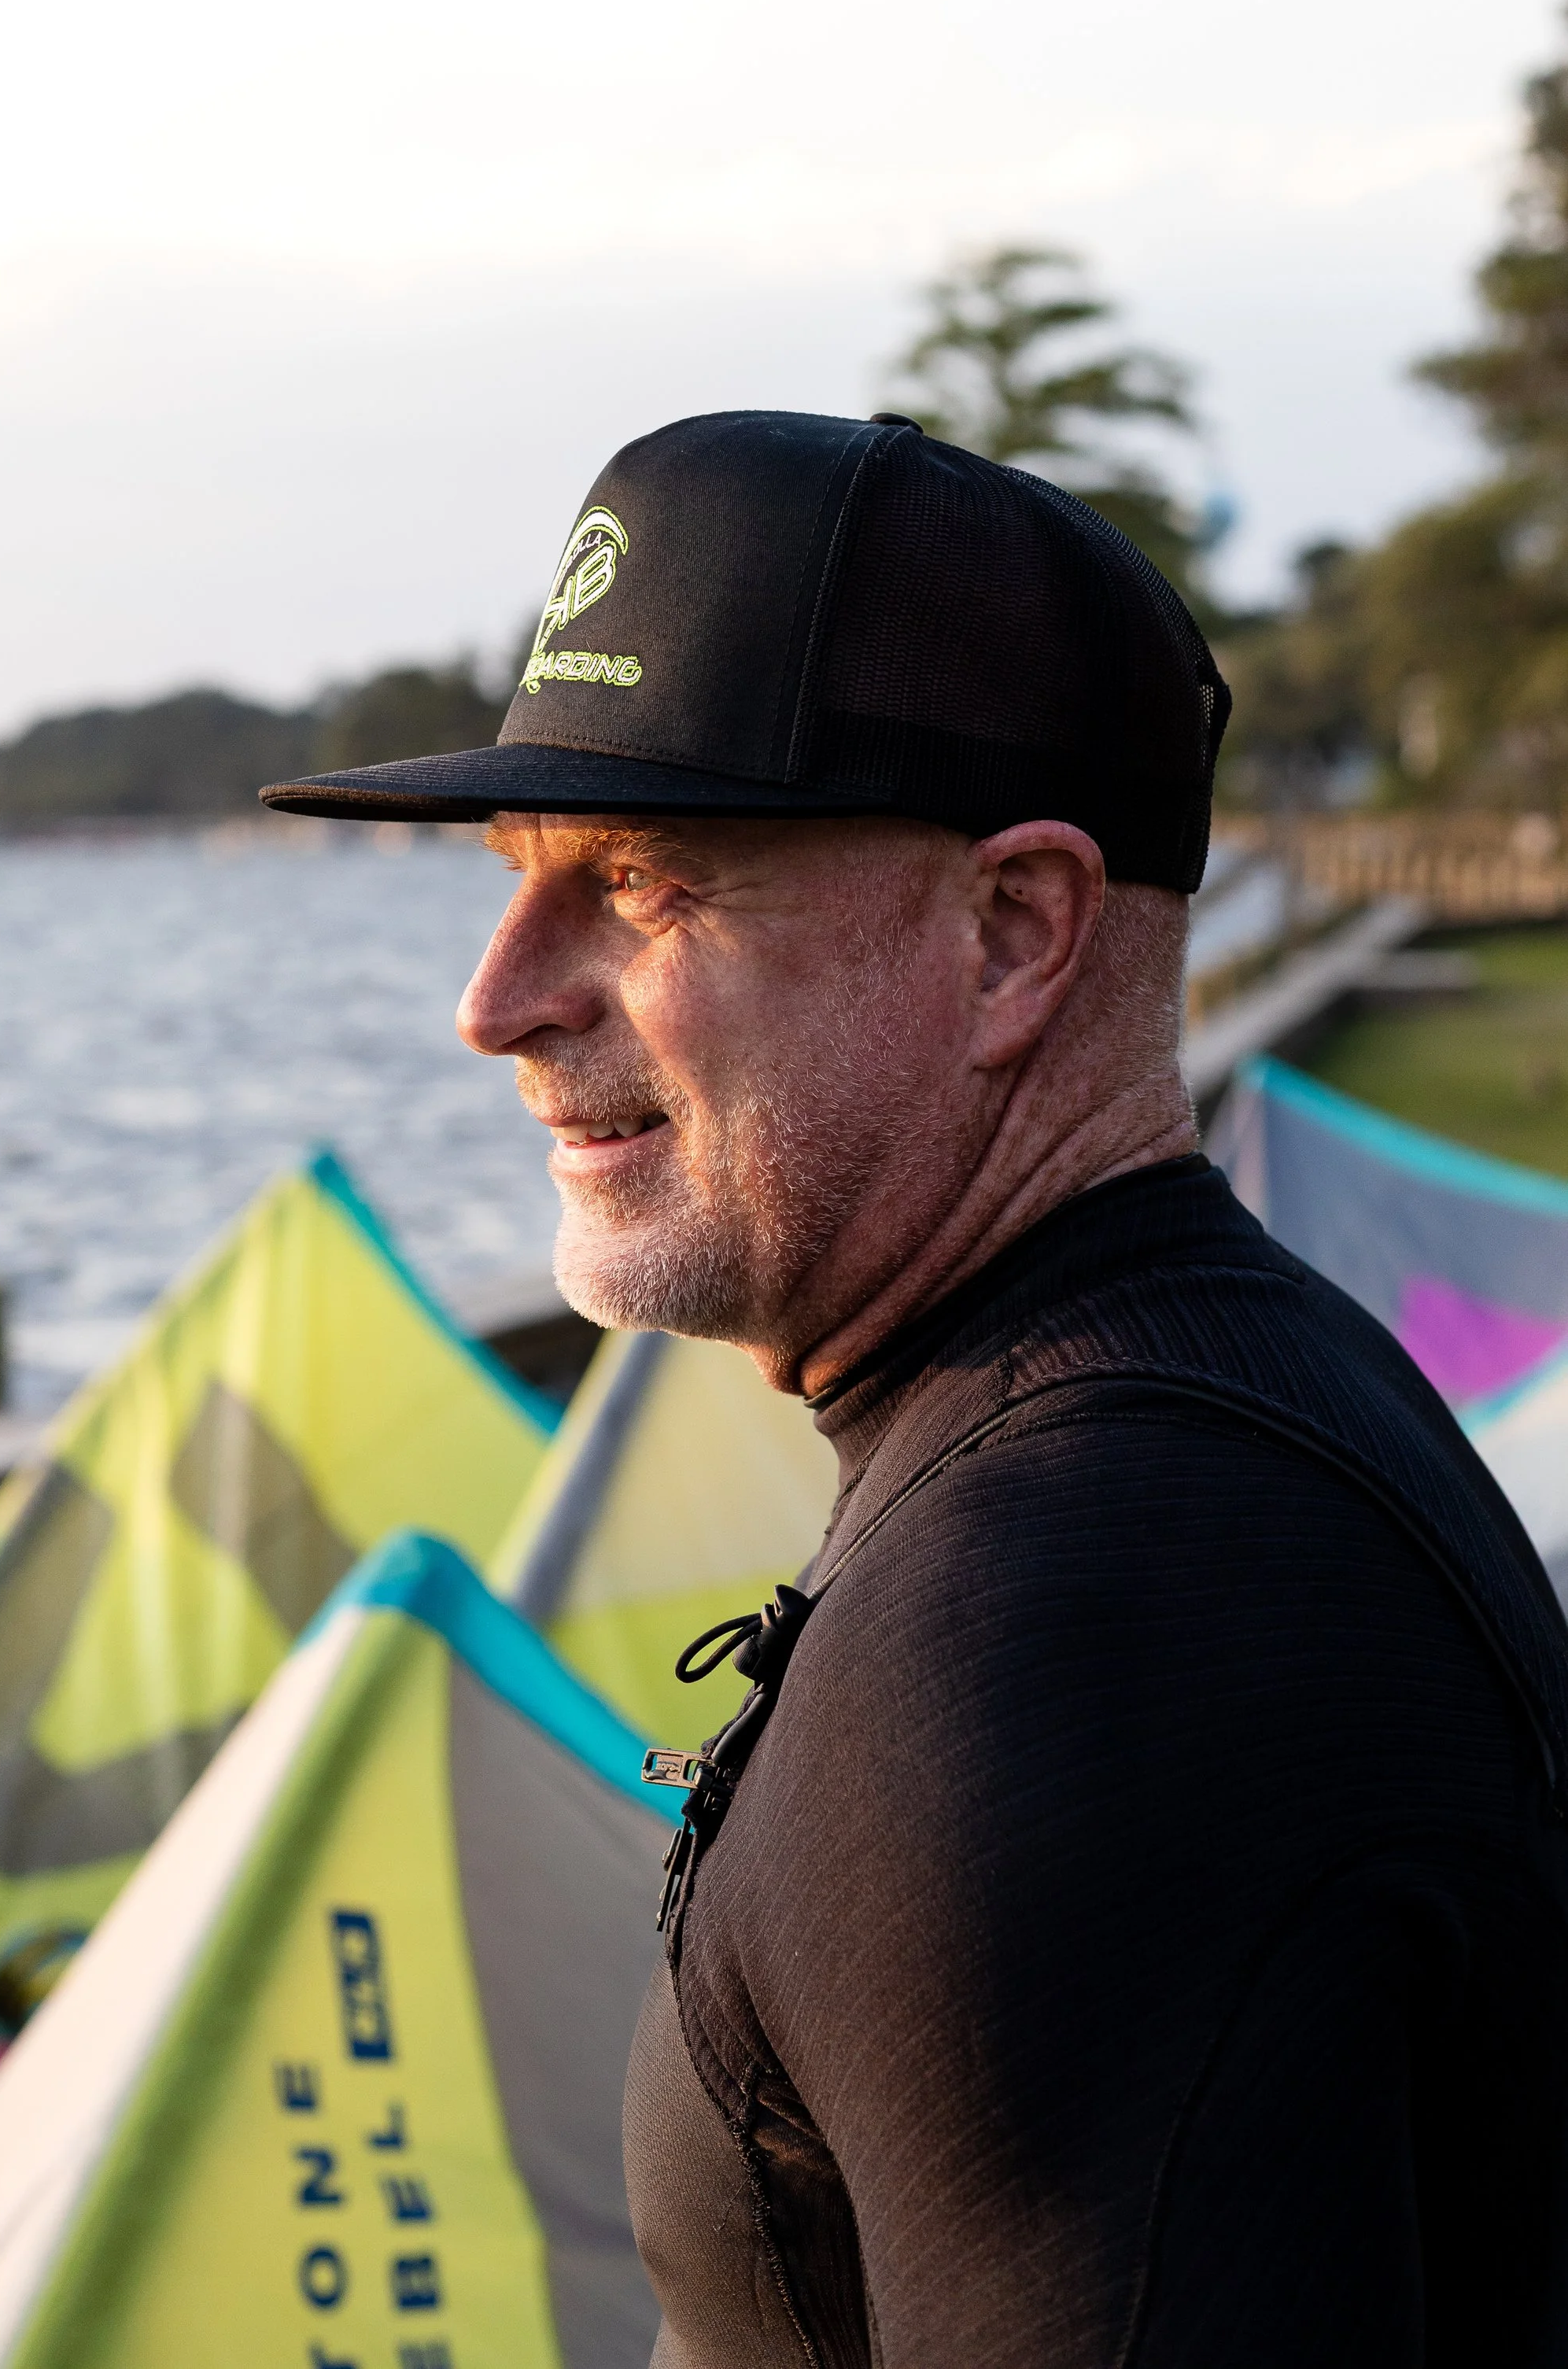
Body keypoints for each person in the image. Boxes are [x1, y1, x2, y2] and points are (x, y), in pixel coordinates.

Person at [265, 409, 1568, 2368]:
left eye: (639, 883)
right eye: (515, 875)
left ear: (1012, 935)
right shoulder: (1197, 1414)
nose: (495, 1000)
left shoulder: (1074, 1623)